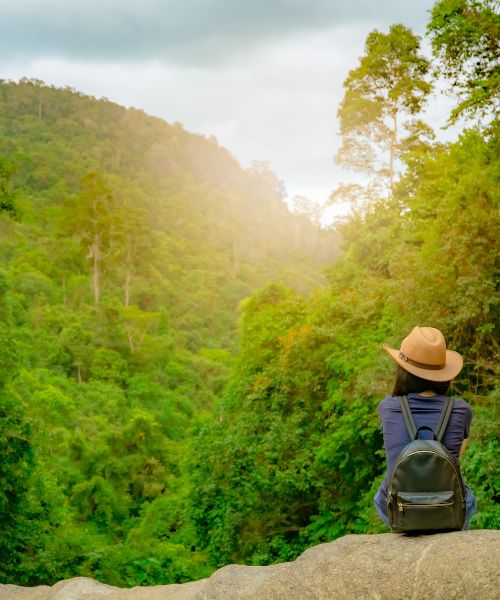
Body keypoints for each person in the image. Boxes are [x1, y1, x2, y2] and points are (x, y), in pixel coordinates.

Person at [374, 326, 477, 529]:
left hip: (399, 503)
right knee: (469, 497)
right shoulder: (461, 409)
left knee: (380, 496)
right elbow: (455, 456)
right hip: (448, 504)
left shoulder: (387, 407)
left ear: (403, 372)